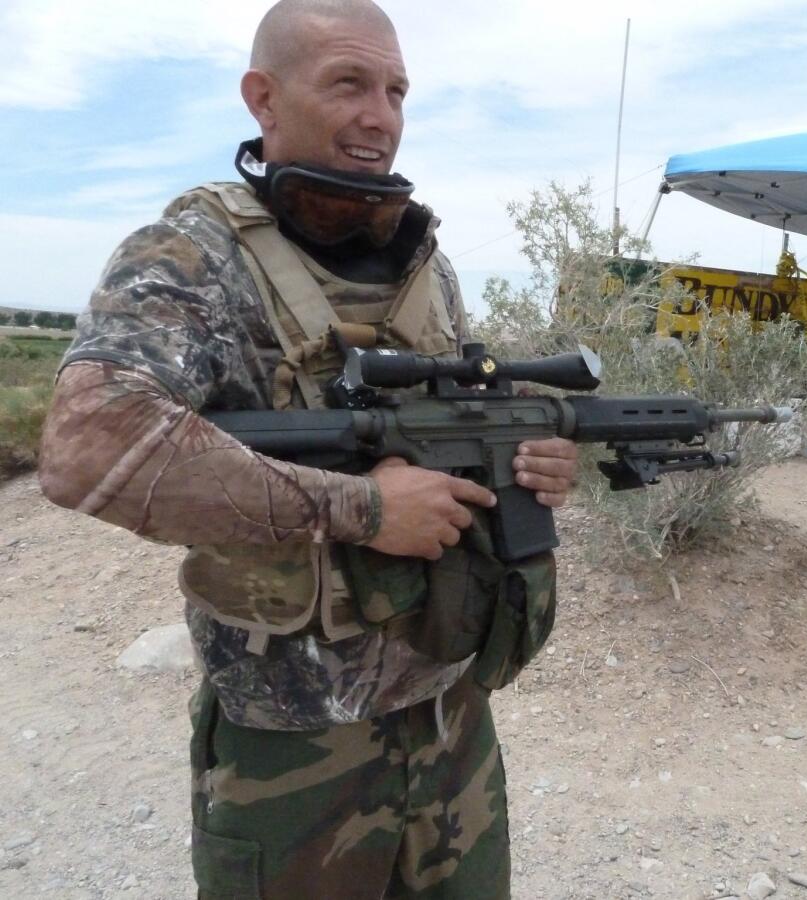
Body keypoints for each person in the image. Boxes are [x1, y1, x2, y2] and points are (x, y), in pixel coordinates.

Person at [38, 1, 577, 897]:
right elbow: (89, 444)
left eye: (397, 91)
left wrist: (522, 459)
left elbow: (457, 422)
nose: (381, 116)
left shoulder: (424, 265)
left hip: (450, 715)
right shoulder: (192, 254)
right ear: (264, 98)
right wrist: (363, 509)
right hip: (292, 742)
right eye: (349, 84)